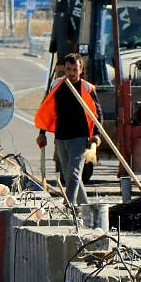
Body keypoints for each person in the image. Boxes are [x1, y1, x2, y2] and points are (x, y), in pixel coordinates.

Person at [35, 53, 103, 204]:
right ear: (64, 69)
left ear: (81, 70)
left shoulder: (87, 88)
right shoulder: (57, 85)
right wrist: (42, 133)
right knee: (70, 176)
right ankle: (86, 210)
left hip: (79, 137)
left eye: (75, 69)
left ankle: (69, 206)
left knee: (73, 174)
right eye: (68, 69)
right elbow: (48, 110)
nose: (71, 73)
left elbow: (97, 114)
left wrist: (97, 135)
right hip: (60, 137)